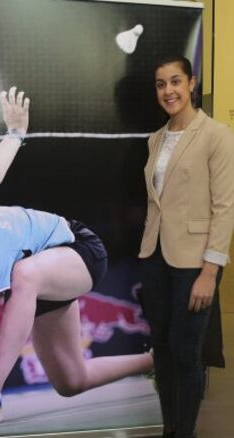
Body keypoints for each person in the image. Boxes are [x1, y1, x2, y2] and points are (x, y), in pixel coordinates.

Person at [0, 86, 153, 427]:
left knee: (22, 273)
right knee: (71, 381)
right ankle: (157, 361)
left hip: (77, 251)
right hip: (42, 277)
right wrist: (16, 132)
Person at [139, 55, 234, 438]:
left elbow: (225, 207)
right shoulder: (156, 139)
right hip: (156, 256)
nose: (168, 91)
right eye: (161, 84)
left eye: (175, 81)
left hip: (196, 262)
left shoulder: (217, 134)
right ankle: (170, 429)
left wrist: (210, 272)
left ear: (191, 83)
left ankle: (185, 432)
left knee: (186, 351)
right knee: (162, 349)